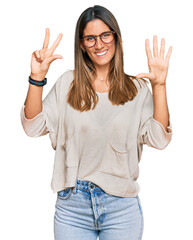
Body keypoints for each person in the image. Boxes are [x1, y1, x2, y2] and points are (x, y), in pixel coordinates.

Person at [20, 5, 173, 240]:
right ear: (81, 44)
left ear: (115, 37)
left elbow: (160, 139)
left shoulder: (137, 89)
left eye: (105, 35)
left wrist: (159, 86)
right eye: (90, 38)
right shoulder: (67, 84)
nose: (99, 44)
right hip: (73, 208)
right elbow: (32, 127)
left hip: (121, 209)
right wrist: (36, 78)